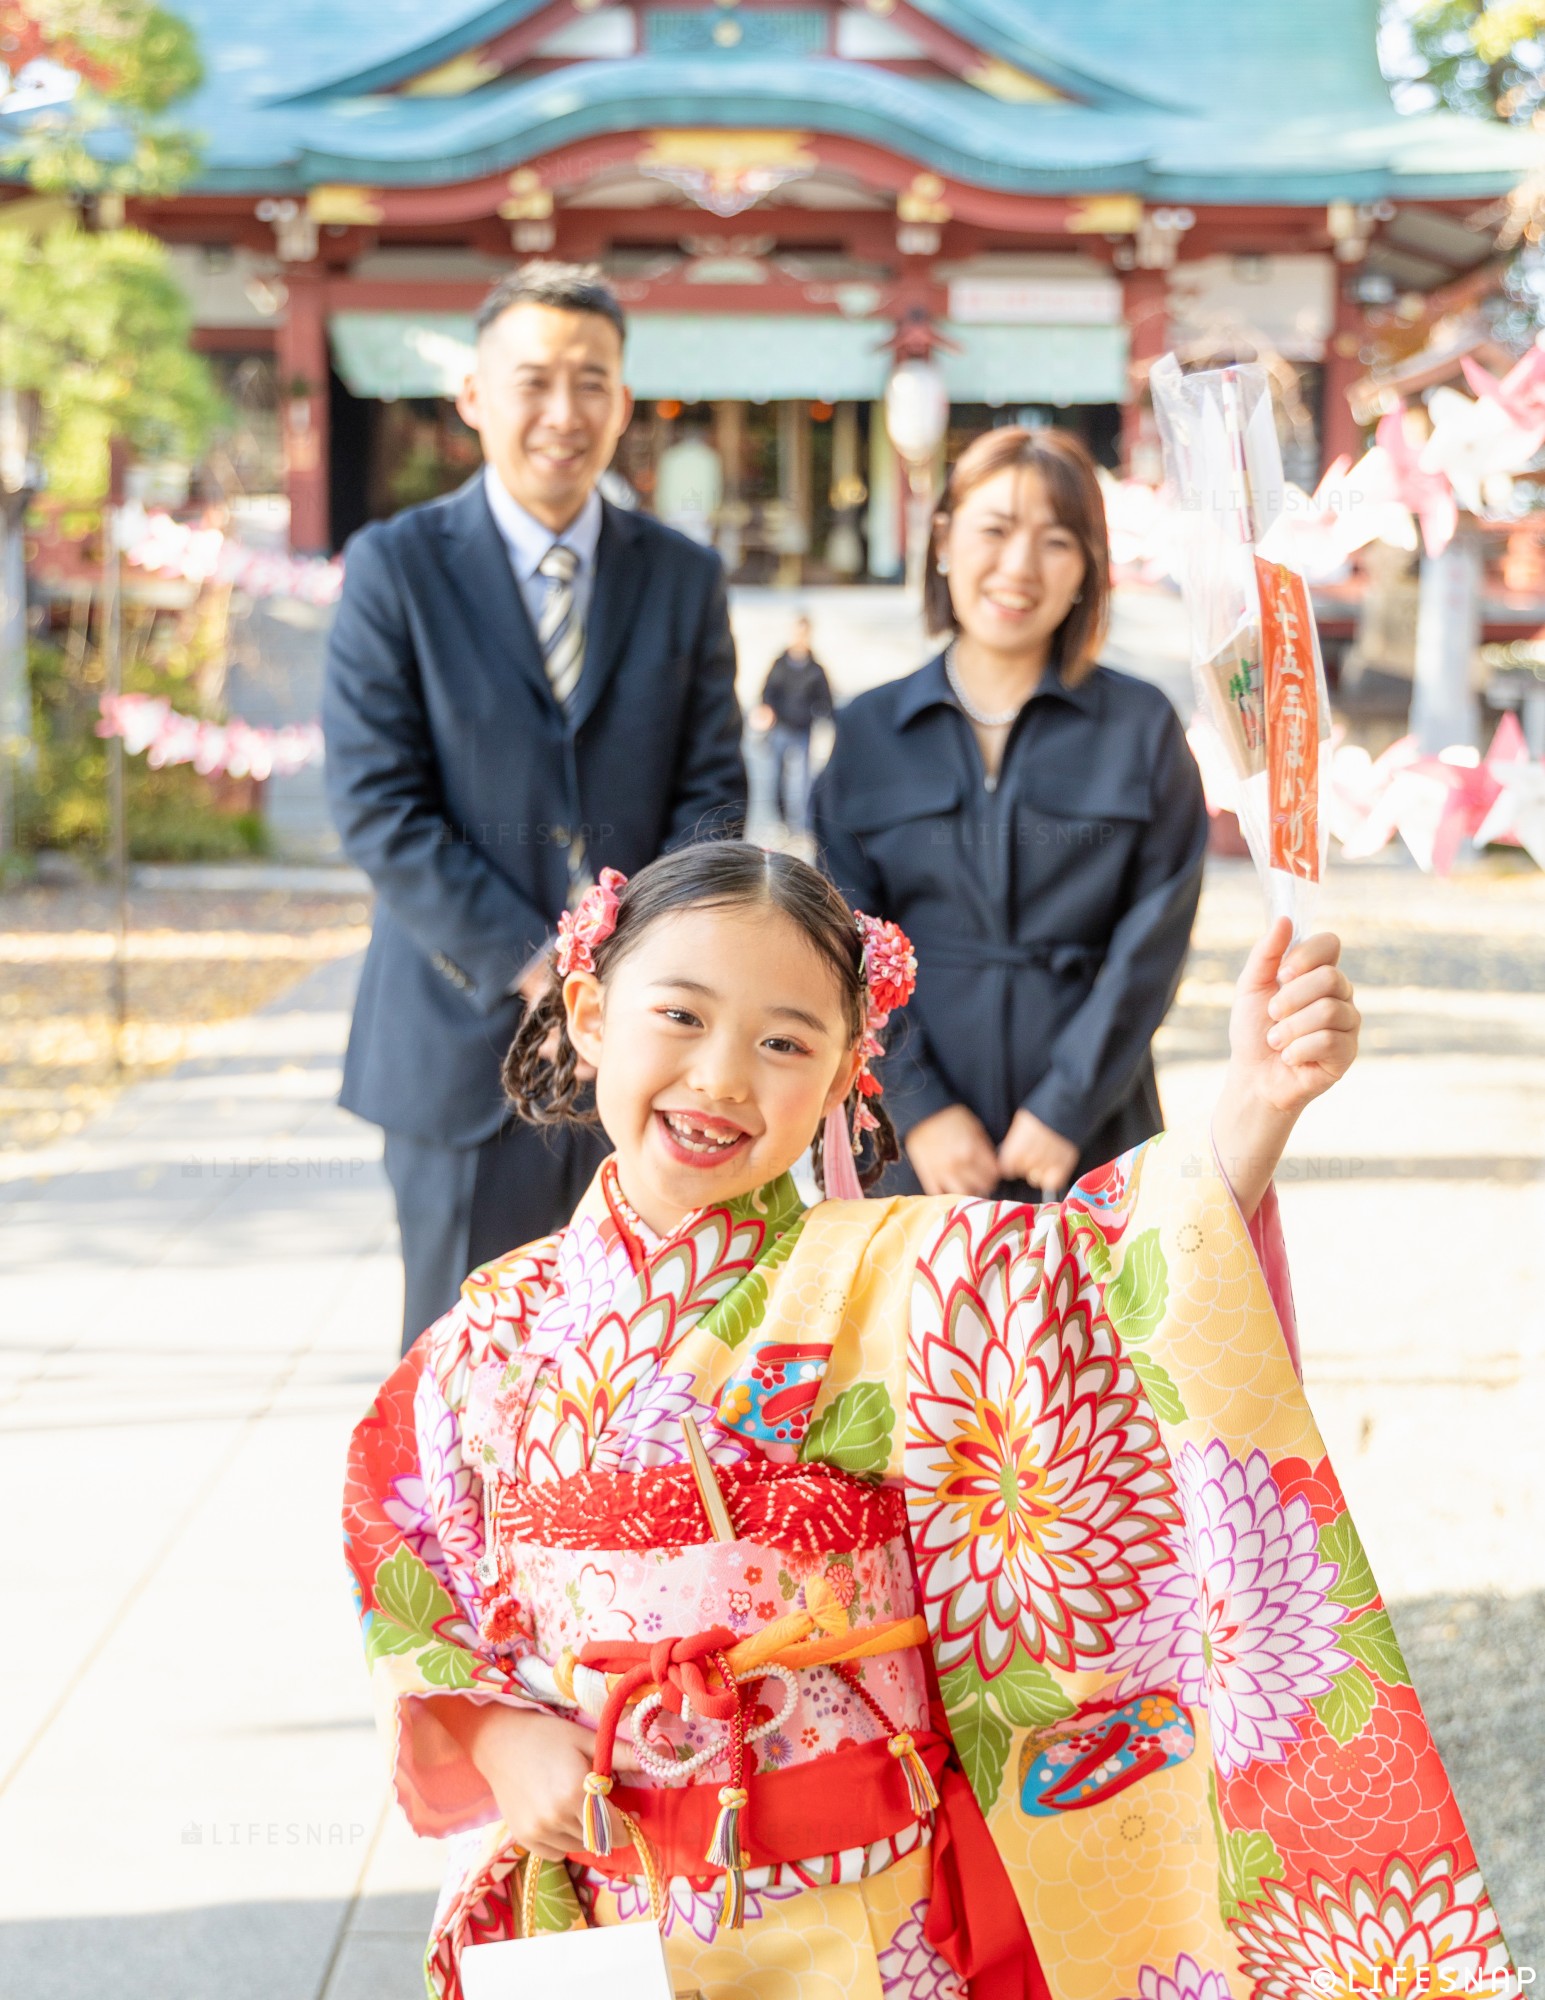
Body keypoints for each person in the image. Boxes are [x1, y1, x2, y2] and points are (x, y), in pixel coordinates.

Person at [344, 842, 1511, 2000]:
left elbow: (1112, 1271)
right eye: (681, 1016)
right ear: (592, 1013)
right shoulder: (494, 1326)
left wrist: (1257, 1097)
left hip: (865, 1906)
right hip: (613, 1891)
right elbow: (407, 1543)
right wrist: (500, 1735)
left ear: (852, 1069)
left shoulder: (897, 1269)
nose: (721, 1077)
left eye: (784, 1041)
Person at [322, 263, 746, 1350]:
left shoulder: (682, 576)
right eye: (535, 380)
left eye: (592, 381)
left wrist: (638, 971)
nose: (565, 413)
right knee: (460, 1369)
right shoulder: (394, 567)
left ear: (623, 399)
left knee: (644, 1365)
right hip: (460, 1040)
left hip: (645, 1048)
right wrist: (538, 961)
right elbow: (377, 803)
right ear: (475, 395)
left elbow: (712, 792)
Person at [812, 427, 1207, 1203]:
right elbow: (840, 943)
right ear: (943, 542)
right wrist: (919, 1107)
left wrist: (1066, 1106)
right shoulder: (868, 734)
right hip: (908, 1146)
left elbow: (1152, 941)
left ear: (1087, 570)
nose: (1019, 567)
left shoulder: (1140, 728)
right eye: (993, 530)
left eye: (1056, 541)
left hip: (1089, 1136)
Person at [750, 612, 833, 836]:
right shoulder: (780, 664)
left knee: (804, 782)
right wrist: (766, 710)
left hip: (803, 730)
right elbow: (767, 691)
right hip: (781, 728)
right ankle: (782, 820)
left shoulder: (816, 669)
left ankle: (804, 825)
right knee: (777, 777)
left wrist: (831, 722)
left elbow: (826, 701)